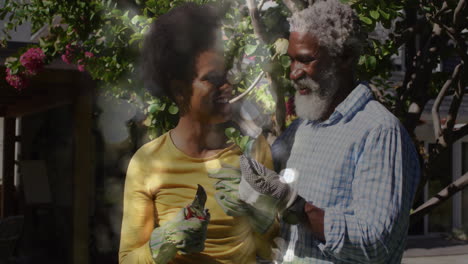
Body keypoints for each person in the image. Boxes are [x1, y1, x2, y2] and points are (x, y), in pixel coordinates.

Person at [236, 0, 421, 263]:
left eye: (305, 60)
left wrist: (297, 206)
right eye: (291, 60)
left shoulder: (379, 132)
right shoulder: (301, 128)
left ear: (344, 57)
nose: (293, 73)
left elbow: (377, 245)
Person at [118, 3, 276, 264]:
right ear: (180, 90)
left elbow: (271, 250)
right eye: (213, 79)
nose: (227, 86)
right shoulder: (147, 162)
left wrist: (256, 210)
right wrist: (166, 240)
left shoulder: (253, 151)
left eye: (228, 76)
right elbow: (127, 259)